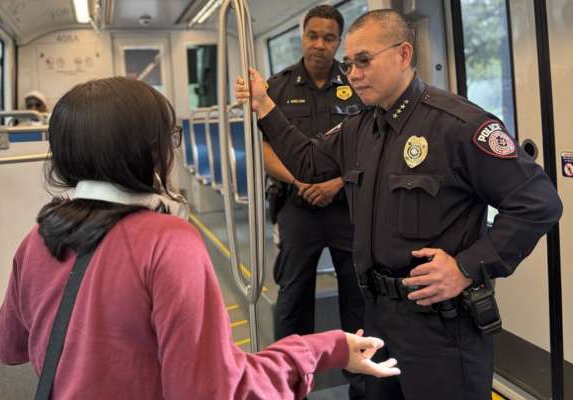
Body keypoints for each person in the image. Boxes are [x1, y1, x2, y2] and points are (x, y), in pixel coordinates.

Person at [0, 77, 400, 399]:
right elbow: (213, 389)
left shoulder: (40, 235)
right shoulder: (168, 242)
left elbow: (7, 346)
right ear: (149, 151)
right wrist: (326, 349)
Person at [236, 9, 563, 400]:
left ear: (403, 55)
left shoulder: (457, 125)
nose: (353, 73)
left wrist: (467, 265)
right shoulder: (360, 128)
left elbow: (538, 202)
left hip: (438, 327)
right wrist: (265, 107)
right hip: (376, 317)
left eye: (363, 61)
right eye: (349, 63)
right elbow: (307, 161)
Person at [262, 6, 365, 397]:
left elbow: (370, 146)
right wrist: (300, 179)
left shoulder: (356, 83)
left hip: (347, 208)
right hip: (297, 206)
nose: (319, 44)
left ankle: (363, 386)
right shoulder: (279, 87)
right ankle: (289, 385)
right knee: (292, 299)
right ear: (302, 37)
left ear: (338, 42)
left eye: (328, 37)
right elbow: (266, 149)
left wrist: (338, 183)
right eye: (313, 36)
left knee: (357, 298)